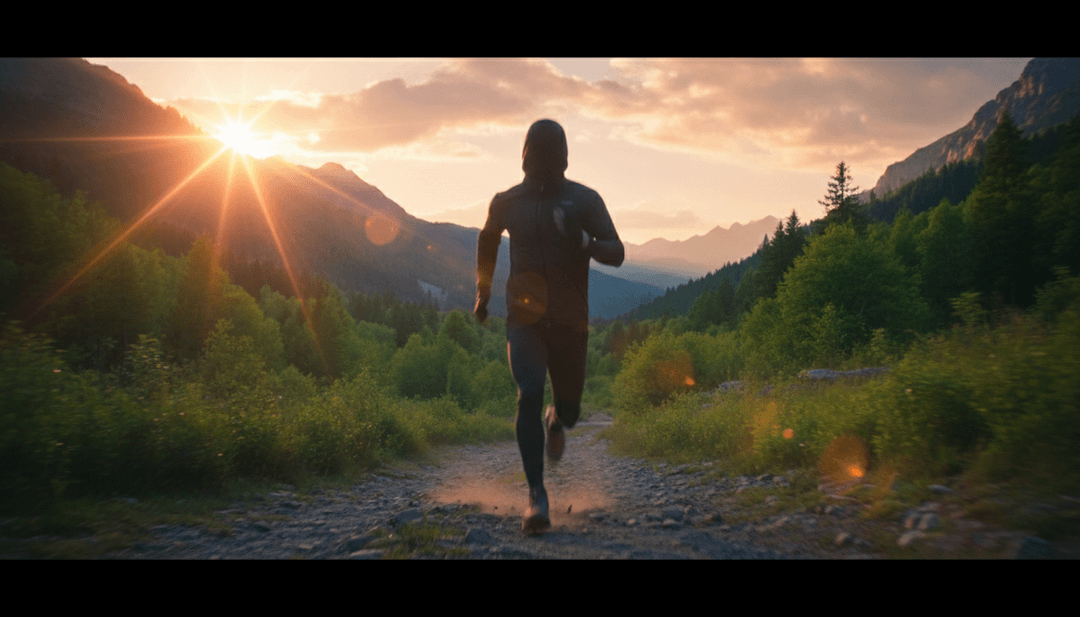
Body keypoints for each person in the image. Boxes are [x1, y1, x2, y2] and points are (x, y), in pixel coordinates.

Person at [474, 119, 624, 533]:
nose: (542, 162)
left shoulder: (584, 200)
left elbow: (617, 251)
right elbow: (487, 240)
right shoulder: (507, 202)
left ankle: (556, 418)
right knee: (528, 392)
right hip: (525, 318)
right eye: (536, 153)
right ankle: (536, 496)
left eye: (549, 153)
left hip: (571, 322)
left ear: (563, 156)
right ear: (525, 155)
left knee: (572, 410)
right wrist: (482, 294)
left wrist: (584, 244)